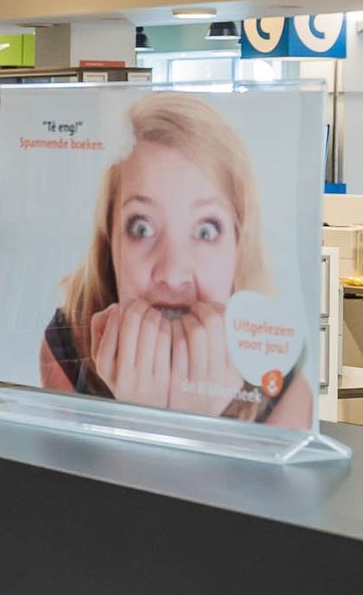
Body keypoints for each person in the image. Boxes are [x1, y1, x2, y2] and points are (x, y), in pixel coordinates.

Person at [38, 92, 312, 427]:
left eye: (206, 231)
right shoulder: (68, 341)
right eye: (141, 227)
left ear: (239, 245)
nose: (173, 273)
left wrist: (194, 420)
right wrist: (138, 417)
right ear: (109, 240)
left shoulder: (284, 383)